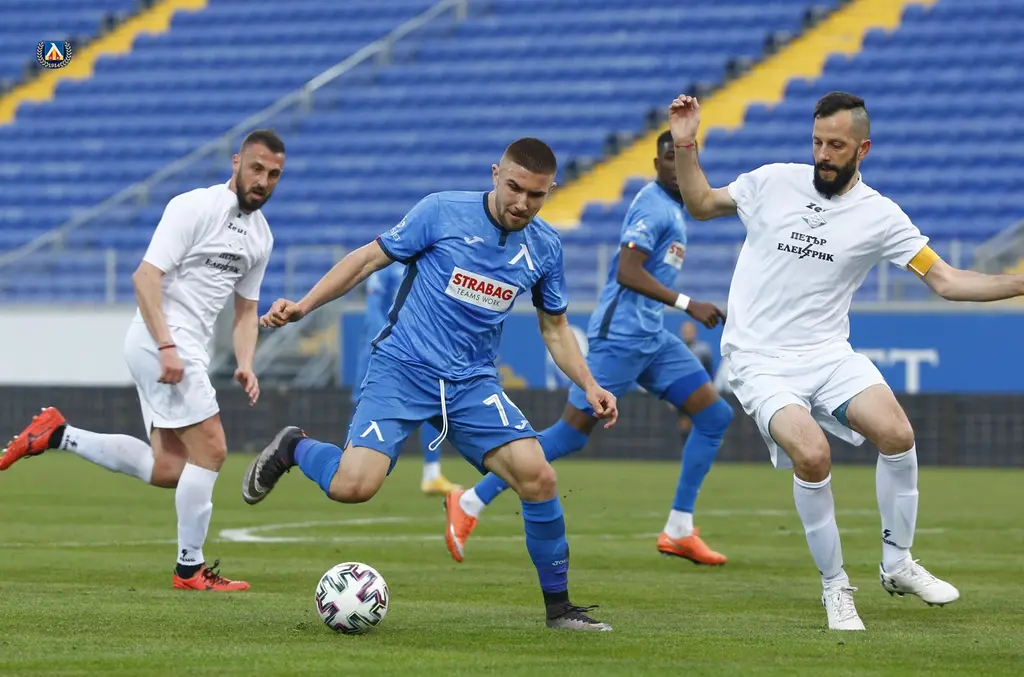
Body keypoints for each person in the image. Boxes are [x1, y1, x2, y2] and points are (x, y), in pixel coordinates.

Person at [668, 90, 1024, 630]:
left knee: (898, 434)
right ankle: (836, 587)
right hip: (758, 358)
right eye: (817, 142)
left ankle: (898, 562)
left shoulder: (880, 215)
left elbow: (947, 280)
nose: (823, 155)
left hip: (828, 353)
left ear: (863, 149)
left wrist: (1019, 283)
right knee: (813, 455)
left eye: (836, 145)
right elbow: (699, 204)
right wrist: (686, 144)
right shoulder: (772, 181)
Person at [241, 138, 619, 632]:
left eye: (536, 195)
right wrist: (303, 306)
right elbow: (366, 260)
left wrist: (589, 383)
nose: (522, 203)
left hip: (471, 383)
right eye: (514, 188)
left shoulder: (545, 247)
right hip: (402, 368)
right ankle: (294, 446)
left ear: (550, 191)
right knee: (353, 487)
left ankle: (560, 609)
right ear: (495, 174)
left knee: (538, 477)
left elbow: (555, 328)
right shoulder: (441, 212)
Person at [0, 129, 286, 592]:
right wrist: (167, 345)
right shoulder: (193, 206)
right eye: (256, 168)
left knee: (170, 468)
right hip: (163, 341)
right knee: (212, 449)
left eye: (273, 174)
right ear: (236, 162)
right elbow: (145, 277)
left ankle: (57, 433)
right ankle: (189, 570)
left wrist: (246, 362)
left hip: (179, 348)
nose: (263, 181)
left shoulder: (262, 237)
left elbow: (246, 311)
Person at [444, 130, 734, 567]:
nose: (676, 167)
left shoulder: (677, 208)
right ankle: (468, 501)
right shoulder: (653, 206)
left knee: (714, 416)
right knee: (570, 435)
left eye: (683, 159)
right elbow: (627, 271)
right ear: (656, 164)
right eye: (668, 159)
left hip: (651, 337)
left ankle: (678, 530)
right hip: (620, 337)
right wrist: (688, 304)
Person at [353, 265, 460, 496]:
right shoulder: (386, 264)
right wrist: (388, 339)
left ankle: (432, 473)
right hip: (383, 349)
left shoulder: (426, 261)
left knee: (432, 402)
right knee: (364, 406)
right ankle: (349, 466)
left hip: (417, 350)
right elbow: (373, 309)